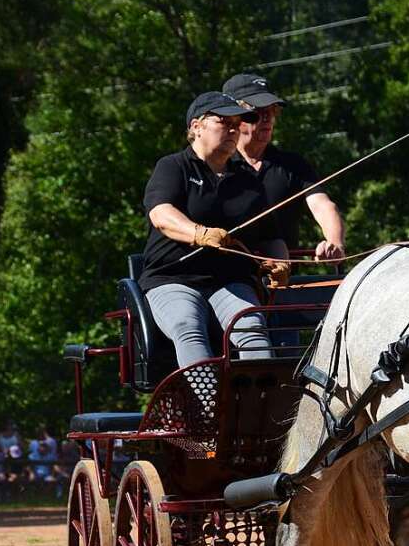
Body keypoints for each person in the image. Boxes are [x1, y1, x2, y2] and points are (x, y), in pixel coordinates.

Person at [139, 91, 289, 368]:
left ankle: (261, 406)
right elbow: (161, 214)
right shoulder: (173, 167)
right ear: (196, 126)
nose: (234, 129)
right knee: (187, 326)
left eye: (237, 123)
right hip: (172, 278)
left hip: (230, 281)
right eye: (224, 122)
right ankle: (209, 407)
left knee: (253, 330)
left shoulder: (248, 180)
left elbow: (271, 236)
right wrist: (199, 233)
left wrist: (279, 262)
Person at [223, 73, 345, 261]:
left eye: (272, 111)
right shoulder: (217, 165)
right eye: (258, 112)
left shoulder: (292, 165)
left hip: (285, 278)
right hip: (230, 278)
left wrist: (334, 243)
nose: (268, 118)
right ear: (233, 116)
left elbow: (323, 205)